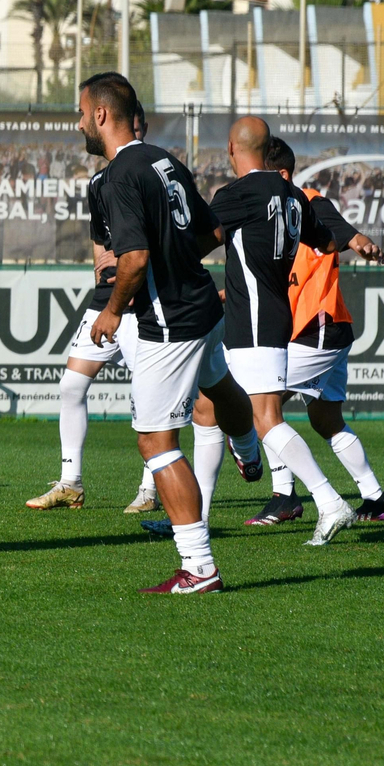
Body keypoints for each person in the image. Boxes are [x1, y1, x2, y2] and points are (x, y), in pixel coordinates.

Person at [81, 73, 260, 595]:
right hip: (202, 307)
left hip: (168, 323)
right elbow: (211, 231)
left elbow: (133, 259)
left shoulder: (117, 176)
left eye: (81, 114)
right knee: (219, 385)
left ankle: (199, 567)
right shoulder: (163, 159)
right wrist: (177, 264)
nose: (79, 124)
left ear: (101, 115)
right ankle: (247, 447)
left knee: (156, 442)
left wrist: (113, 310)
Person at [204, 118, 384, 546]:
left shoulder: (239, 194)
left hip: (259, 323)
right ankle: (196, 514)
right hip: (269, 318)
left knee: (264, 417)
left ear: (232, 147)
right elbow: (323, 241)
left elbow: (200, 236)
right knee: (206, 407)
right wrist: (353, 240)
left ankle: (324, 499)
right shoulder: (293, 198)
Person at [247, 136, 384, 526]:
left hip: (318, 329)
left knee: (261, 403)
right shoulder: (274, 214)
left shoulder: (307, 200)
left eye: (257, 172)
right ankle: (376, 499)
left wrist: (359, 241)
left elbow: (336, 227)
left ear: (280, 174)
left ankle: (285, 496)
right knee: (326, 420)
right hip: (326, 329)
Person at [30, 105, 156, 514]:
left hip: (145, 299)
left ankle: (151, 488)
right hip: (108, 296)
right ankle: (71, 482)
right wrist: (104, 262)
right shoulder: (100, 181)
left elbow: (155, 244)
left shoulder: (151, 173)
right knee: (71, 386)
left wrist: (126, 261)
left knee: (148, 394)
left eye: (139, 127)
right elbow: (100, 241)